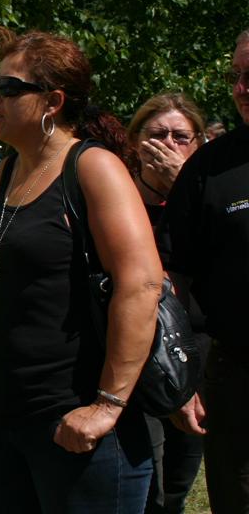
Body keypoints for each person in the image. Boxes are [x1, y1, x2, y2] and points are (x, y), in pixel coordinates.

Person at [0, 26, 162, 513]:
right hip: (4, 414)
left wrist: (107, 406)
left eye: (9, 87)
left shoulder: (93, 167)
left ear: (52, 101)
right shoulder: (6, 173)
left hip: (75, 421)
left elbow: (141, 284)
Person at [166, 29, 249, 514]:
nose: (240, 89)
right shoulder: (211, 167)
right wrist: (186, 376)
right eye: (235, 76)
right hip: (236, 378)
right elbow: (175, 278)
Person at [125, 92, 208, 514]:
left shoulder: (207, 200)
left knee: (177, 482)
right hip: (132, 353)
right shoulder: (116, 198)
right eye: (156, 134)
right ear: (135, 140)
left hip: (194, 350)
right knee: (145, 481)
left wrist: (183, 189)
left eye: (180, 136)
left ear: (197, 144)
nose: (168, 144)